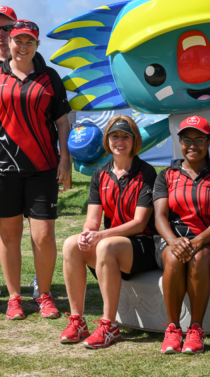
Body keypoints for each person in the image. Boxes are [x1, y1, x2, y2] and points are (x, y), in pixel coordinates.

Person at [0, 19, 72, 321]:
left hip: (42, 168)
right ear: (8, 42)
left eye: (29, 42)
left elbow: (62, 121)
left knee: (43, 236)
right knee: (9, 236)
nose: (22, 47)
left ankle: (46, 295)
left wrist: (65, 159)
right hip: (2, 169)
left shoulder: (49, 77)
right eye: (18, 41)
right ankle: (14, 297)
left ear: (37, 45)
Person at [0, 5, 52, 302]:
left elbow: (56, 116)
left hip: (35, 160)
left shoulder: (39, 66)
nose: (2, 32)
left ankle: (37, 281)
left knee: (39, 229)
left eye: (7, 27)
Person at [60, 115, 158, 348]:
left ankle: (109, 326)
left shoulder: (147, 173)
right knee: (71, 243)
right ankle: (77, 320)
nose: (120, 141)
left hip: (143, 245)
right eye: (115, 136)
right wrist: (86, 234)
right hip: (112, 246)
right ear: (107, 140)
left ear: (135, 140)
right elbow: (92, 221)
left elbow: (139, 223)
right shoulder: (100, 174)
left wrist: (101, 235)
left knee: (105, 244)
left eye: (126, 136)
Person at [153, 116, 210, 355]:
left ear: (209, 142)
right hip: (172, 240)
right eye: (187, 139)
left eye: (199, 139)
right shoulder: (165, 176)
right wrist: (173, 241)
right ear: (179, 142)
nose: (192, 145)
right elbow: (159, 217)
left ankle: (196, 329)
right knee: (174, 257)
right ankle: (173, 329)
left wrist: (198, 241)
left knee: (198, 259)